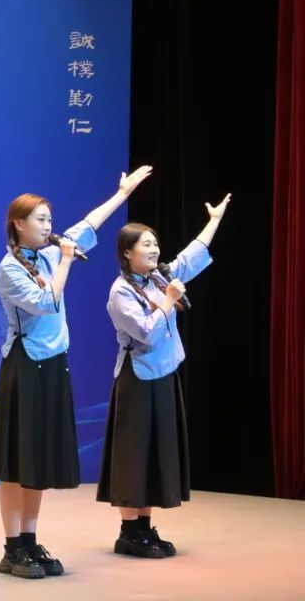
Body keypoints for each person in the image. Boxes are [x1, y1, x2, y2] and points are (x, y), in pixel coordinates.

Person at [0, 166, 152, 579]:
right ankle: (12, 547)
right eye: (40, 220)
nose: (49, 227)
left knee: (38, 460)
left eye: (50, 219)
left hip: (53, 364)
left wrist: (122, 193)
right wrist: (64, 260)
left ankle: (30, 539)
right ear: (18, 224)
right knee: (16, 461)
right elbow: (47, 302)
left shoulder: (49, 252)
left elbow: (90, 223)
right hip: (24, 366)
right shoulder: (9, 268)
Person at [97, 194, 231, 558]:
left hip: (165, 374)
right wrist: (169, 300)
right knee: (133, 454)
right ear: (127, 253)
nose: (154, 249)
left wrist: (214, 220)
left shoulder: (160, 277)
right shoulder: (120, 291)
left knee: (154, 451)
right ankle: (128, 532)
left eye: (155, 243)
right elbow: (145, 333)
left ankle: (145, 527)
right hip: (137, 378)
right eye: (146, 245)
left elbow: (192, 255)